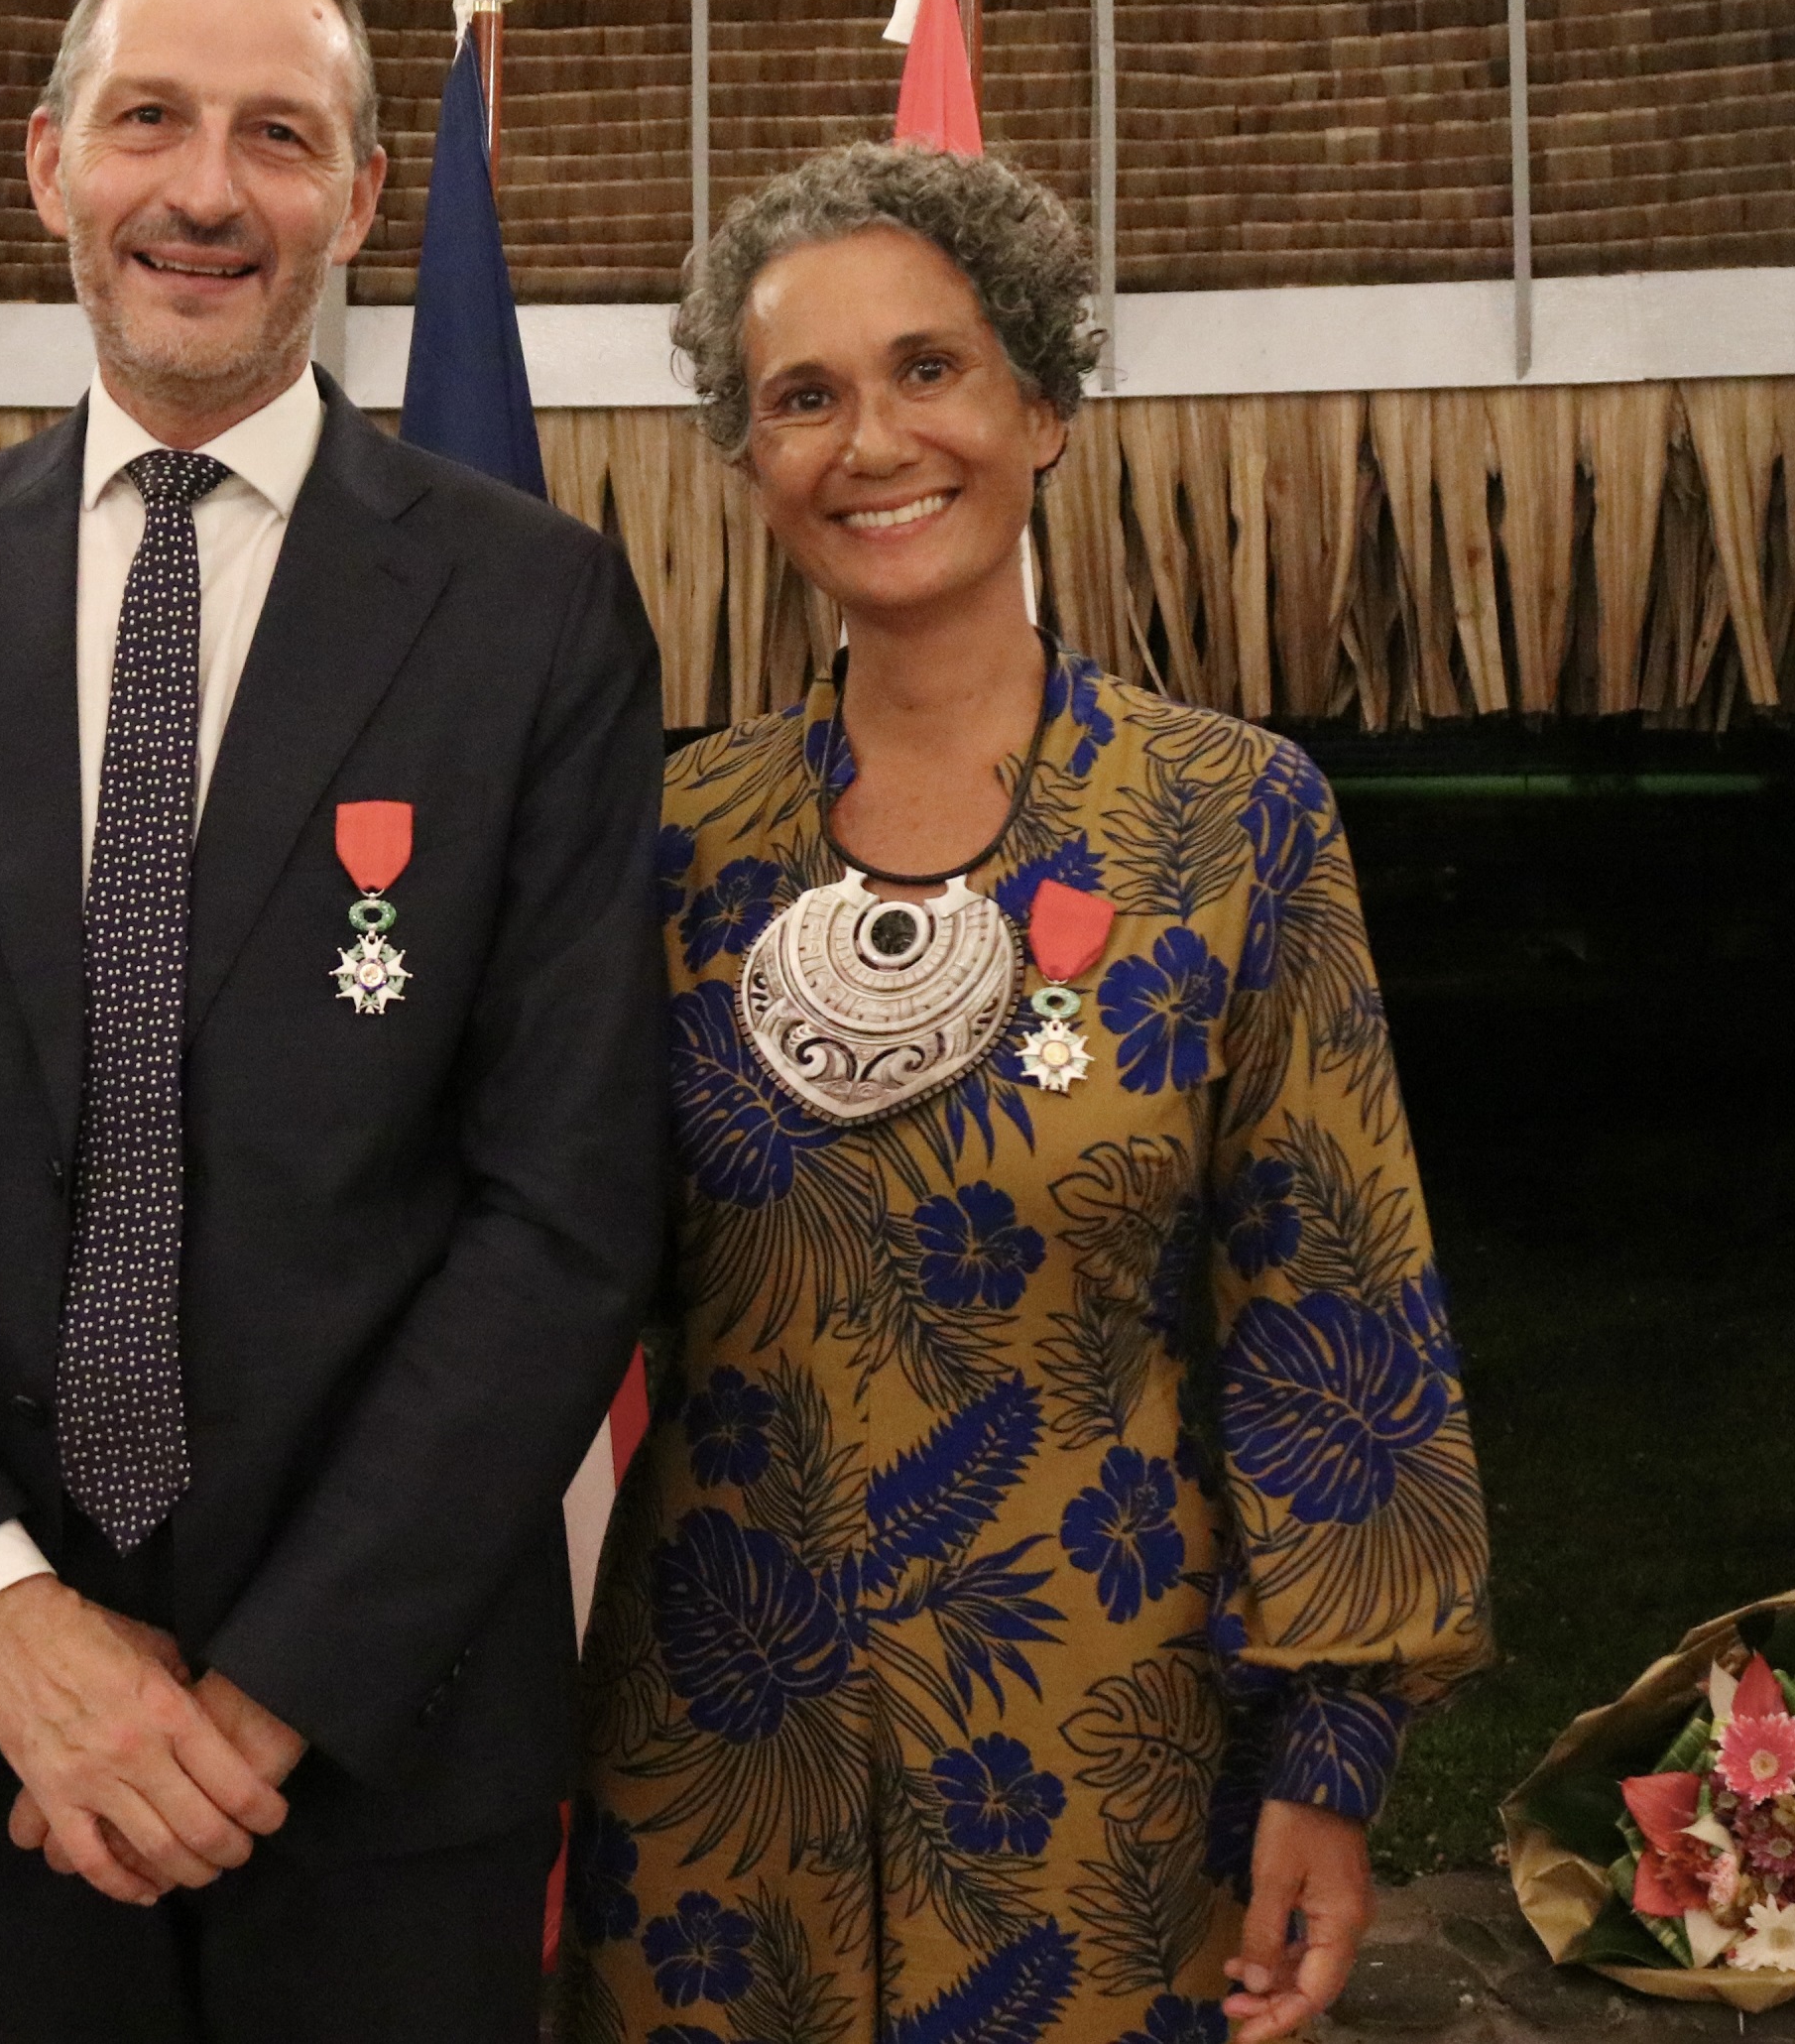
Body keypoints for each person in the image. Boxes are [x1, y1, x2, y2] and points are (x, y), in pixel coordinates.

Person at [0, 0, 667, 2044]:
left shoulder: (534, 613)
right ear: (46, 164)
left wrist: (264, 1693)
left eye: (274, 137)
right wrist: (7, 1617)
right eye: (148, 120)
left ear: (357, 200)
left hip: (383, 1728)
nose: (205, 191)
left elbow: (565, 1199)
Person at [563, 147, 1493, 2044]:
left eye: (932, 370)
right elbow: (532, 1268)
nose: (872, 438)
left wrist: (1329, 1748)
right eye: (803, 397)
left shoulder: (1233, 817)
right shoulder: (664, 843)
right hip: (718, 1772)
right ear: (748, 458)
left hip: (1106, 1772)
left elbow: (1336, 1299)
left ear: (1044, 405)